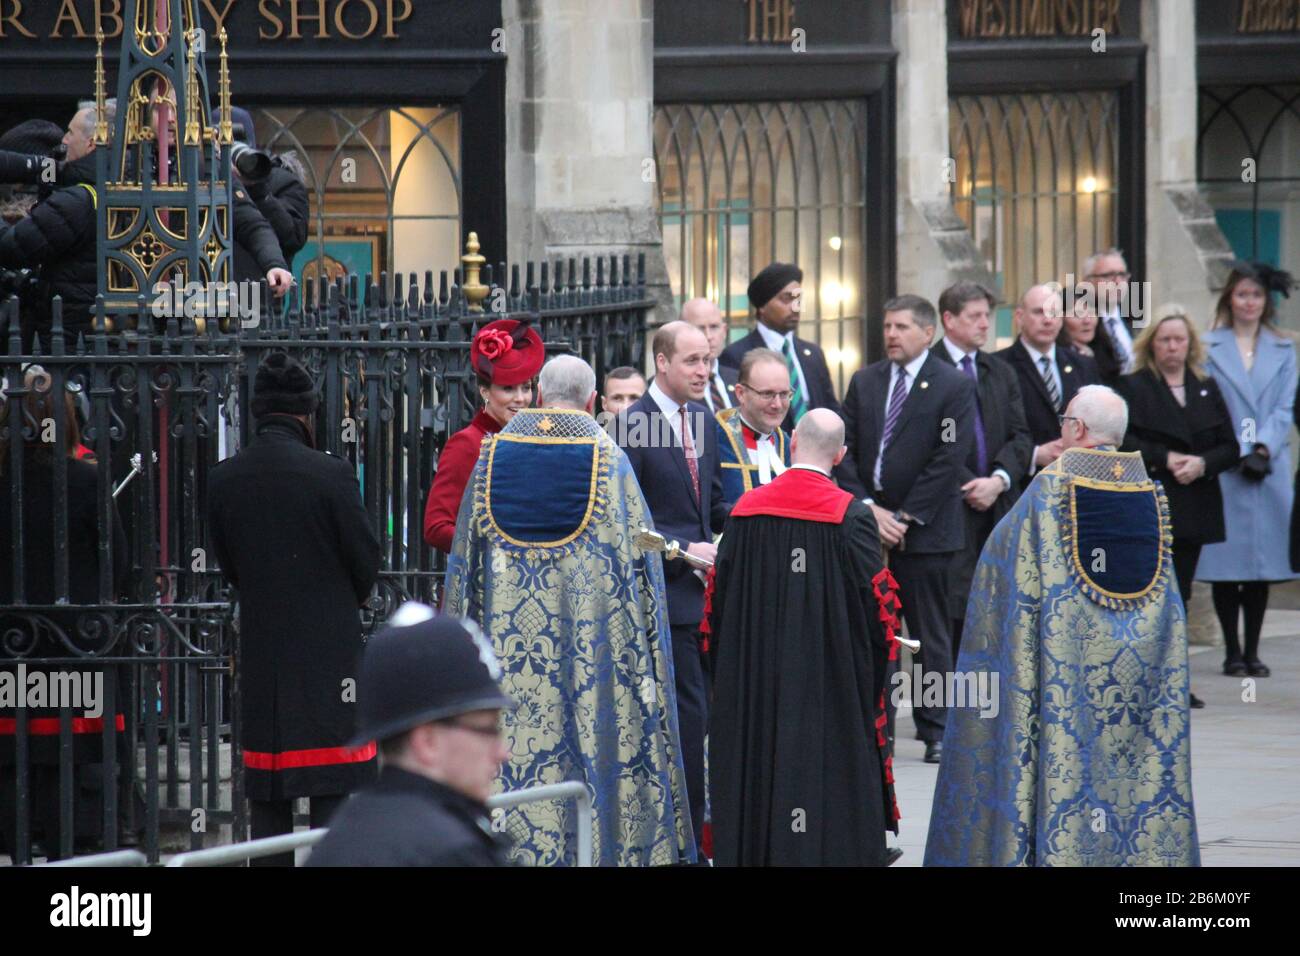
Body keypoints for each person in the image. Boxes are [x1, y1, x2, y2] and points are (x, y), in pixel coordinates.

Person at [926, 386, 1200, 866]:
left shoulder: (1048, 492)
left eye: (1063, 421)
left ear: (1076, 429)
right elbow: (1170, 603)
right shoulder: (1151, 496)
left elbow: (998, 574)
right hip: (1138, 687)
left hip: (1062, 680)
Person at [444, 354, 694, 866]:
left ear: (537, 394)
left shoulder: (492, 456)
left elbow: (462, 569)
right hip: (592, 667)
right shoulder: (610, 460)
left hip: (508, 667)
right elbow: (643, 570)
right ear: (594, 402)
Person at [207, 353, 382, 864]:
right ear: (307, 413)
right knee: (334, 787)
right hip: (330, 658)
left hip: (264, 655)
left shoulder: (224, 479)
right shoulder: (331, 474)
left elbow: (230, 565)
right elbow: (365, 559)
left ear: (258, 412)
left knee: (270, 797)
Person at [706, 409, 898, 866]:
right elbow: (881, 610)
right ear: (841, 454)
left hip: (754, 686)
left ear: (792, 445)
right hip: (828, 686)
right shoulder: (851, 516)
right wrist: (870, 677)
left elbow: (717, 604)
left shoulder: (746, 510)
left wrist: (729, 677)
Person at [0, 101, 293, 350]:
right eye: (158, 108)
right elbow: (32, 171)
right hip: (118, 322)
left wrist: (273, 264)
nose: (169, 117)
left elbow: (251, 222)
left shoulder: (205, 170)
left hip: (169, 319)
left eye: (180, 109)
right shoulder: (109, 173)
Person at [0, 366, 129, 860]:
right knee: (65, 765)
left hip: (12, 642)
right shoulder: (85, 479)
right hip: (75, 643)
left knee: (15, 762)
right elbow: (115, 562)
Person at [840, 294, 975, 763]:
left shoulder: (952, 385)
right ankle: (875, 723)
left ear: (927, 333)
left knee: (929, 633)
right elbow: (846, 449)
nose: (891, 335)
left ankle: (936, 729)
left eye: (901, 327)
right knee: (875, 628)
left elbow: (948, 459)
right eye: (887, 326)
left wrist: (904, 517)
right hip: (868, 525)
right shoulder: (865, 381)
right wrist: (869, 508)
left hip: (926, 532)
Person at [614, 320, 727, 850]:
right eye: (692, 361)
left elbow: (715, 504)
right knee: (684, 724)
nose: (704, 370)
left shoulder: (703, 419)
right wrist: (686, 552)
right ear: (662, 363)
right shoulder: (632, 424)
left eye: (707, 360)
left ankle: (702, 837)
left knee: (705, 723)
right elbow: (627, 521)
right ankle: (682, 844)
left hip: (709, 599)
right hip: (662, 599)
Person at [306, 604, 514, 867]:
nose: (502, 753)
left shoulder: (343, 837)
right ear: (428, 742)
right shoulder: (452, 853)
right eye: (488, 730)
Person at [1117, 306, 1237, 711]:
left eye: (1180, 339)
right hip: (1153, 500)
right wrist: (1164, 458)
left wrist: (1202, 463)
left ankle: (1175, 681)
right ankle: (1144, 680)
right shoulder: (1134, 386)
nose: (1173, 347)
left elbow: (1230, 445)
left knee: (1180, 594)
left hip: (1194, 502)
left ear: (1191, 344)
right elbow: (1122, 437)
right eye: (1165, 339)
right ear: (1152, 344)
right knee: (1150, 595)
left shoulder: (1206, 386)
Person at [1198, 261, 1299, 678]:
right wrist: (1240, 447)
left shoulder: (1285, 347)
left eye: (1256, 295)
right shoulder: (1208, 345)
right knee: (1227, 563)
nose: (1250, 302)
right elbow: (1210, 402)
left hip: (1269, 462)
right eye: (1242, 294)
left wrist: (1263, 446)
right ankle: (1231, 650)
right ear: (1229, 298)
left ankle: (1253, 650)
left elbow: (1285, 405)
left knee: (1261, 565)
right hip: (1228, 461)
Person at [929, 281, 1032, 660]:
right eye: (975, 317)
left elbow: (1021, 436)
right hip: (951, 509)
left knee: (998, 605)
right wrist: (968, 484)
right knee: (955, 612)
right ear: (948, 320)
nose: (985, 325)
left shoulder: (999, 371)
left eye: (987, 316)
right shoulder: (930, 370)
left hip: (998, 506)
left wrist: (998, 479)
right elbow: (932, 442)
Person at [422, 318, 543, 556]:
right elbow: (436, 527)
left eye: (526, 387)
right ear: (484, 391)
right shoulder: (466, 444)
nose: (520, 398)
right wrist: (494, 549)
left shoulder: (533, 439)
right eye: (508, 389)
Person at [995, 283, 1099, 482]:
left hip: (1078, 482)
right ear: (1019, 317)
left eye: (1054, 312)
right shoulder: (998, 367)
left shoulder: (1084, 365)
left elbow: (1098, 420)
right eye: (1038, 312)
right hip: (1024, 485)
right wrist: (1033, 454)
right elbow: (994, 431)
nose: (1047, 320)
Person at [719, 262, 840, 429]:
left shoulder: (813, 353)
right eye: (787, 299)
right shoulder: (737, 355)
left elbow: (831, 409)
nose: (796, 307)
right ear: (762, 306)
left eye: (798, 298)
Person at [223, 107, 310, 286]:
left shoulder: (282, 180)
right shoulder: (202, 177)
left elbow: (292, 237)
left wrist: (255, 187)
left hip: (260, 292)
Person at [715, 348, 791, 508]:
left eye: (784, 394)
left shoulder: (789, 446)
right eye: (767, 394)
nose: (777, 404)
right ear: (741, 393)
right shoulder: (715, 438)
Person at [1084, 248, 1137, 375]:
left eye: (1122, 275)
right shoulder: (1084, 322)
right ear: (1088, 282)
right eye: (1108, 276)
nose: (1118, 282)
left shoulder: (1132, 320)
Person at [681, 297, 737, 413]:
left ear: (724, 331)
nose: (709, 336)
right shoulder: (670, 385)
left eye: (714, 327)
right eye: (700, 328)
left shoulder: (739, 380)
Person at [1059, 297, 1123, 385]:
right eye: (1077, 314)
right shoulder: (1056, 361)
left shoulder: (1105, 352)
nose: (1087, 321)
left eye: (1092, 313)